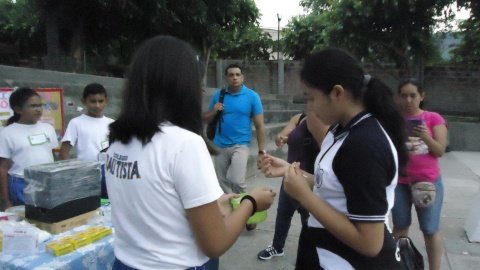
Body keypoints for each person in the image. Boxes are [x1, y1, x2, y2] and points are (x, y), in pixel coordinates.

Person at [105, 35, 276, 270]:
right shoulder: (184, 144)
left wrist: (215, 207)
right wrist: (251, 203)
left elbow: (158, 210)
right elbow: (215, 244)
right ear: (185, 85)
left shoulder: (117, 141)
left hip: (126, 263)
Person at [260, 48, 409, 269]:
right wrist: (292, 171)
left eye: (311, 98)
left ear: (337, 93)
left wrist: (304, 196)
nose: (309, 107)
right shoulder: (341, 129)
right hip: (325, 251)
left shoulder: (364, 145)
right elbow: (335, 185)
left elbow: (370, 243)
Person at [392, 78, 447, 270]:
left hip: (427, 183)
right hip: (400, 181)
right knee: (400, 226)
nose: (408, 100)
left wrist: (426, 137)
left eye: (413, 95)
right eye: (404, 95)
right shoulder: (394, 119)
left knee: (430, 229)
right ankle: (399, 266)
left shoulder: (434, 119)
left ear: (422, 96)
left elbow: (440, 150)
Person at [257, 111, 328, 260]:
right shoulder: (299, 118)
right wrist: (280, 138)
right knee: (283, 214)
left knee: (308, 221)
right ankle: (277, 247)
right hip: (289, 175)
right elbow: (280, 137)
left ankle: (311, 254)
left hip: (309, 182)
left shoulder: (327, 123)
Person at [203, 64, 267, 195]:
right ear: (226, 78)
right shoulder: (219, 95)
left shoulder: (252, 97)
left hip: (241, 144)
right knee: (220, 180)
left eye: (238, 75)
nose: (235, 78)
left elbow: (260, 126)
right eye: (231, 75)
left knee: (237, 181)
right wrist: (214, 111)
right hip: (219, 144)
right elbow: (206, 119)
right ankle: (231, 205)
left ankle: (245, 206)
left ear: (242, 77)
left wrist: (262, 151)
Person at [0, 88, 59, 210]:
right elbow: (3, 169)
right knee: (27, 222)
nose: (38, 109)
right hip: (21, 183)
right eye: (33, 106)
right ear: (18, 109)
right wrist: (6, 201)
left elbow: (52, 156)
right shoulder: (7, 133)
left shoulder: (48, 128)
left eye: (40, 105)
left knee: (47, 217)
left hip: (47, 181)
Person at [60, 83, 114, 198]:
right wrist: (74, 173)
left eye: (101, 101)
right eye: (93, 101)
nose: (97, 105)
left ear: (106, 101)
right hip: (86, 174)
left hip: (109, 173)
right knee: (89, 208)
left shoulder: (112, 123)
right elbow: (64, 151)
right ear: (84, 101)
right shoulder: (76, 123)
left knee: (108, 206)